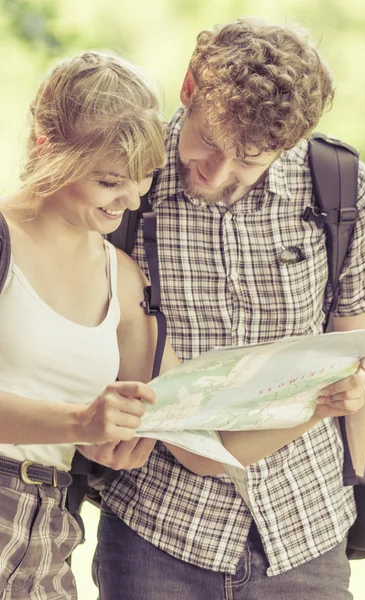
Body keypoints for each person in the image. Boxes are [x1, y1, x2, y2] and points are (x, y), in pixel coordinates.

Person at [83, 19, 365, 600]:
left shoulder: (342, 188)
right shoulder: (124, 183)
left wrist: (352, 478)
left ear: (290, 143)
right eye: (210, 146)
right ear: (189, 88)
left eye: (249, 160)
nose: (218, 174)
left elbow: (356, 332)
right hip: (156, 529)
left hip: (308, 525)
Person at [0, 50, 177, 599]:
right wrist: (81, 421)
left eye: (144, 178)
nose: (132, 199)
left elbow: (177, 409)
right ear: (47, 149)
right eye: (109, 182)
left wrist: (128, 435)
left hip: (50, 533)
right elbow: (82, 419)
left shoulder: (122, 277)